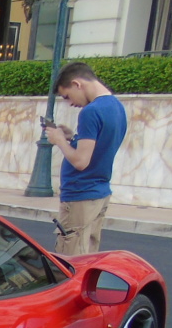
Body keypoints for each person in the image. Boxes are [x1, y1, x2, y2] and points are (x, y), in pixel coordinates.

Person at [43, 62, 127, 255]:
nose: (70, 103)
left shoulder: (90, 112)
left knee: (70, 258)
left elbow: (81, 162)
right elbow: (100, 147)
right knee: (89, 255)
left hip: (80, 194)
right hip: (99, 192)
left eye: (67, 96)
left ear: (77, 84)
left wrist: (59, 141)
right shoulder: (116, 106)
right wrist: (71, 138)